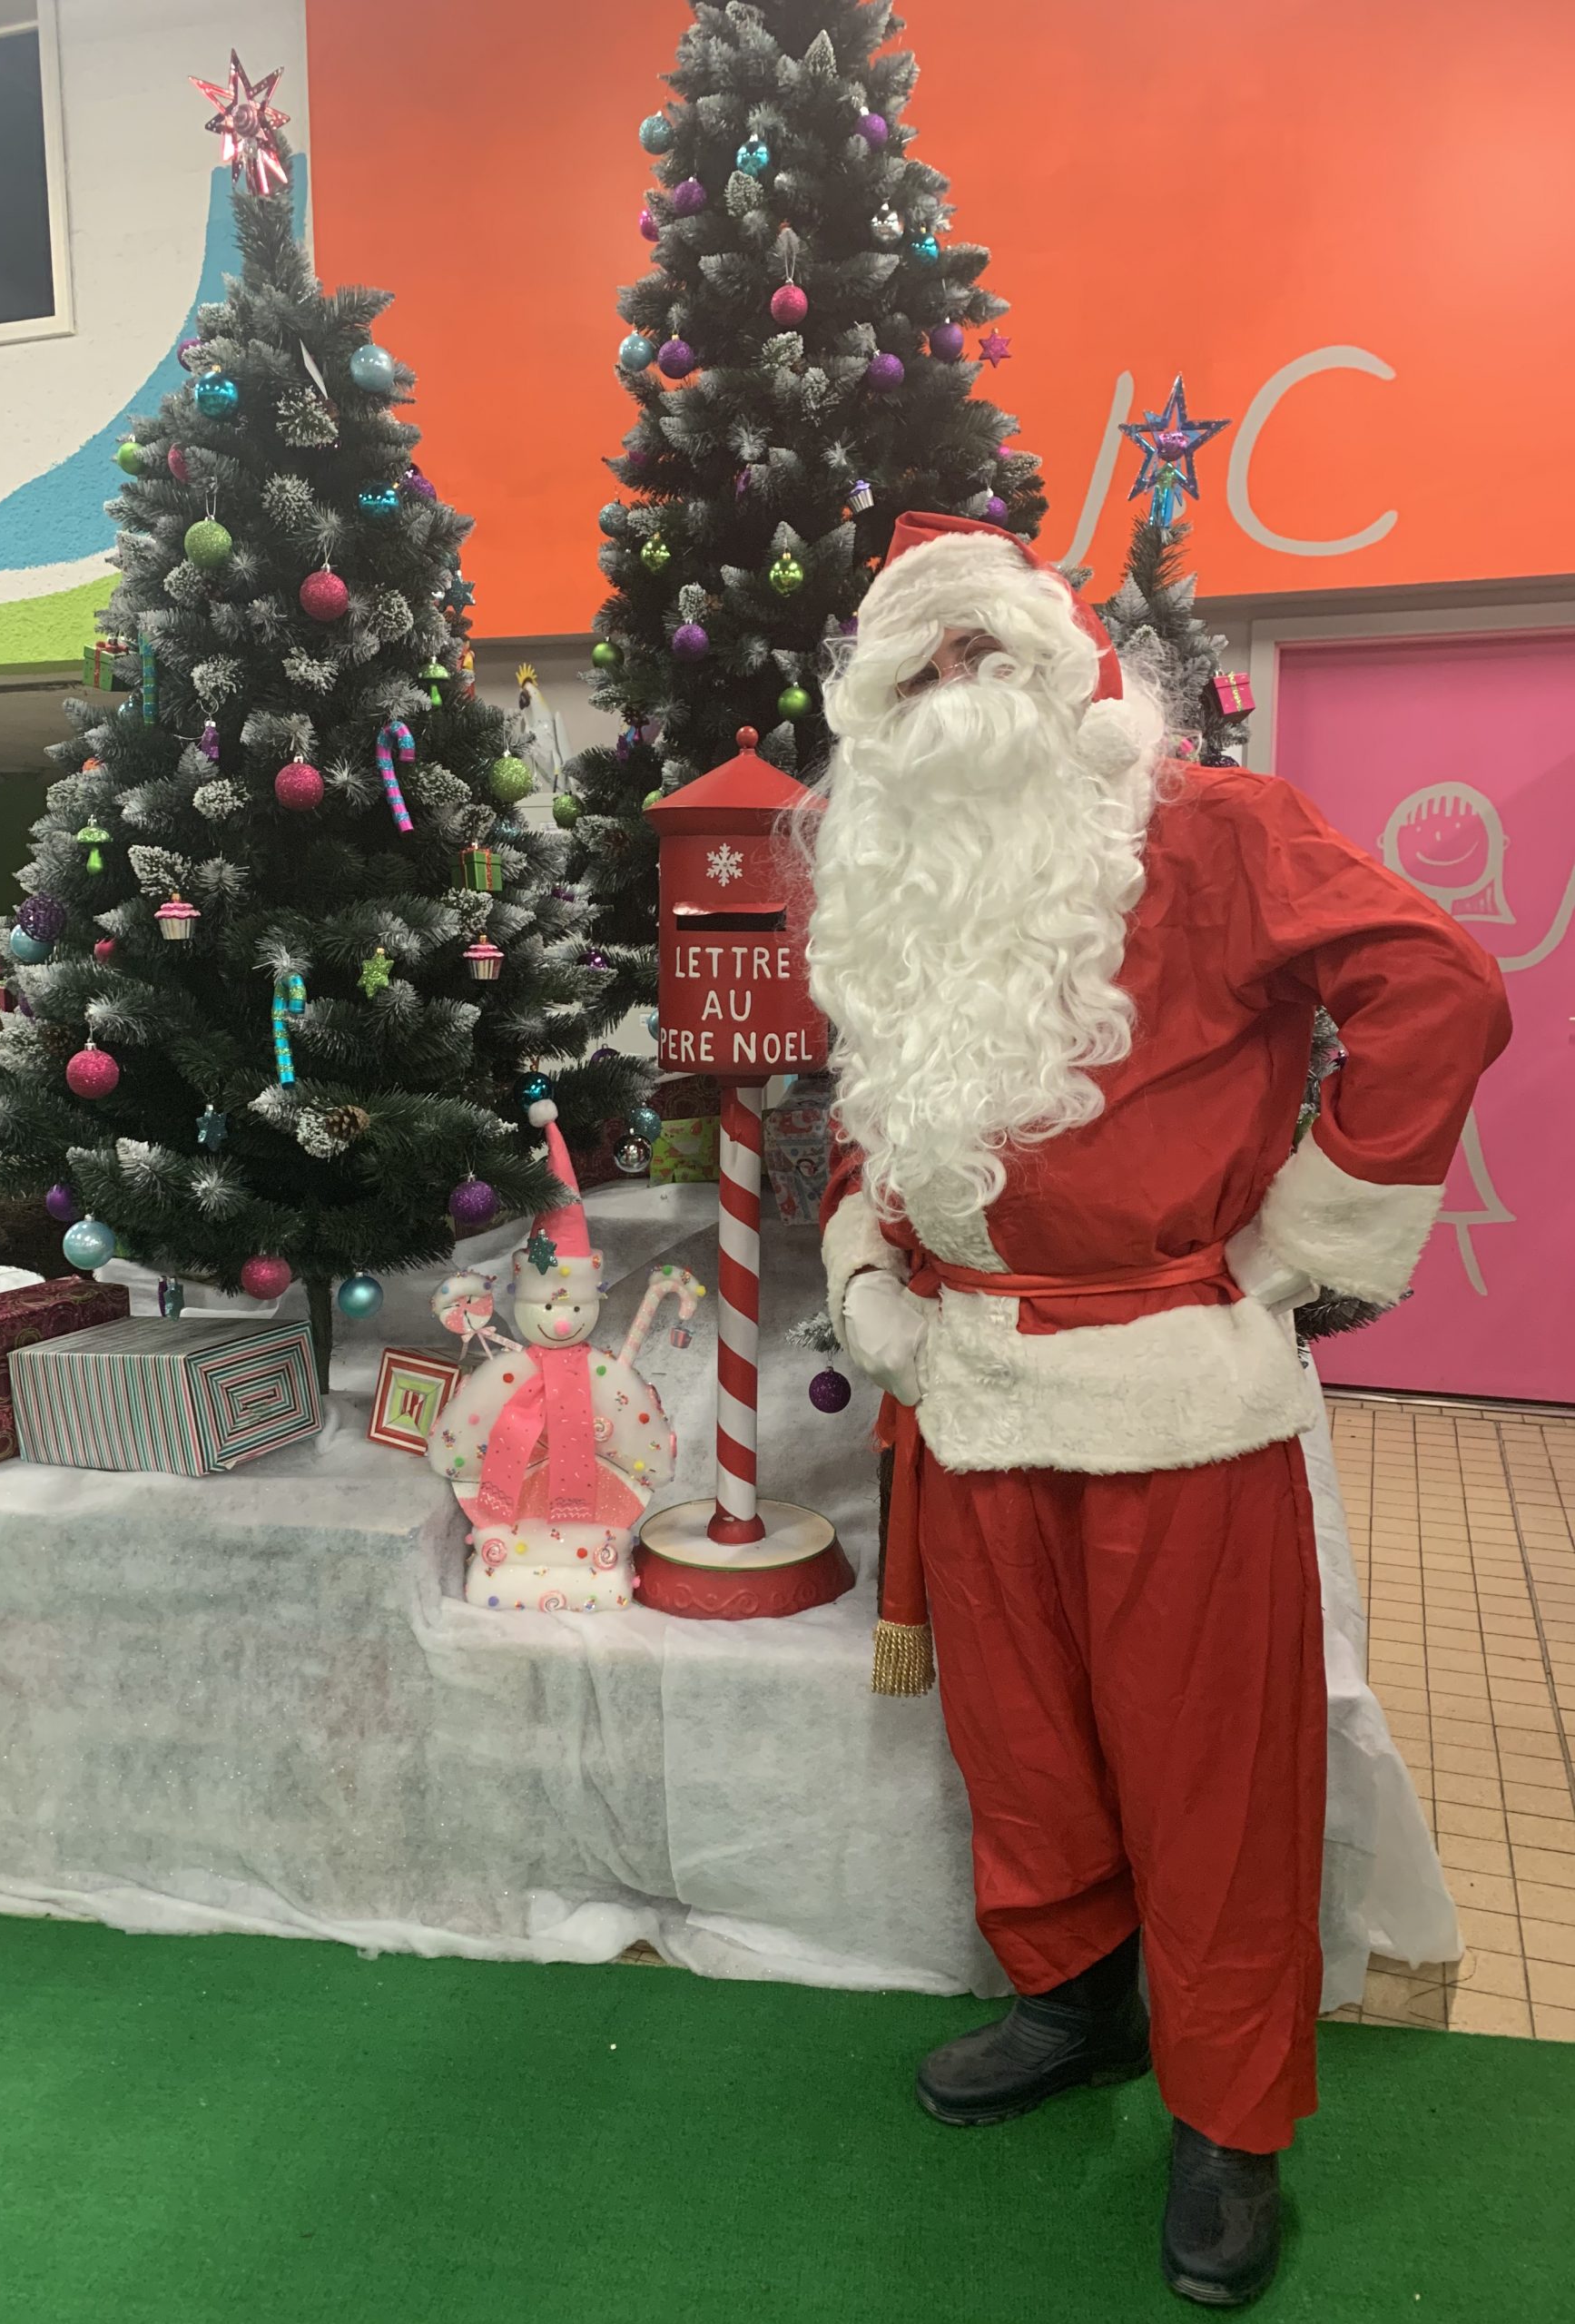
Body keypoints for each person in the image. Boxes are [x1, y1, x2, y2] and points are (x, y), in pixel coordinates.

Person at [808, 511, 1511, 2308]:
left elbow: (1436, 988)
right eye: (919, 663)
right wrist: (869, 1252)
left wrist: (1306, 1237)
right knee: (1024, 1745)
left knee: (1215, 1782)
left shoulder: (1208, 827)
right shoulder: (894, 873)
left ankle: (1230, 2118)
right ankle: (1072, 1998)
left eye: (984, 648)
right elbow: (888, 1100)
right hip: (970, 1387)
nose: (955, 686)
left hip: (1173, 1405)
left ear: (1061, 663)